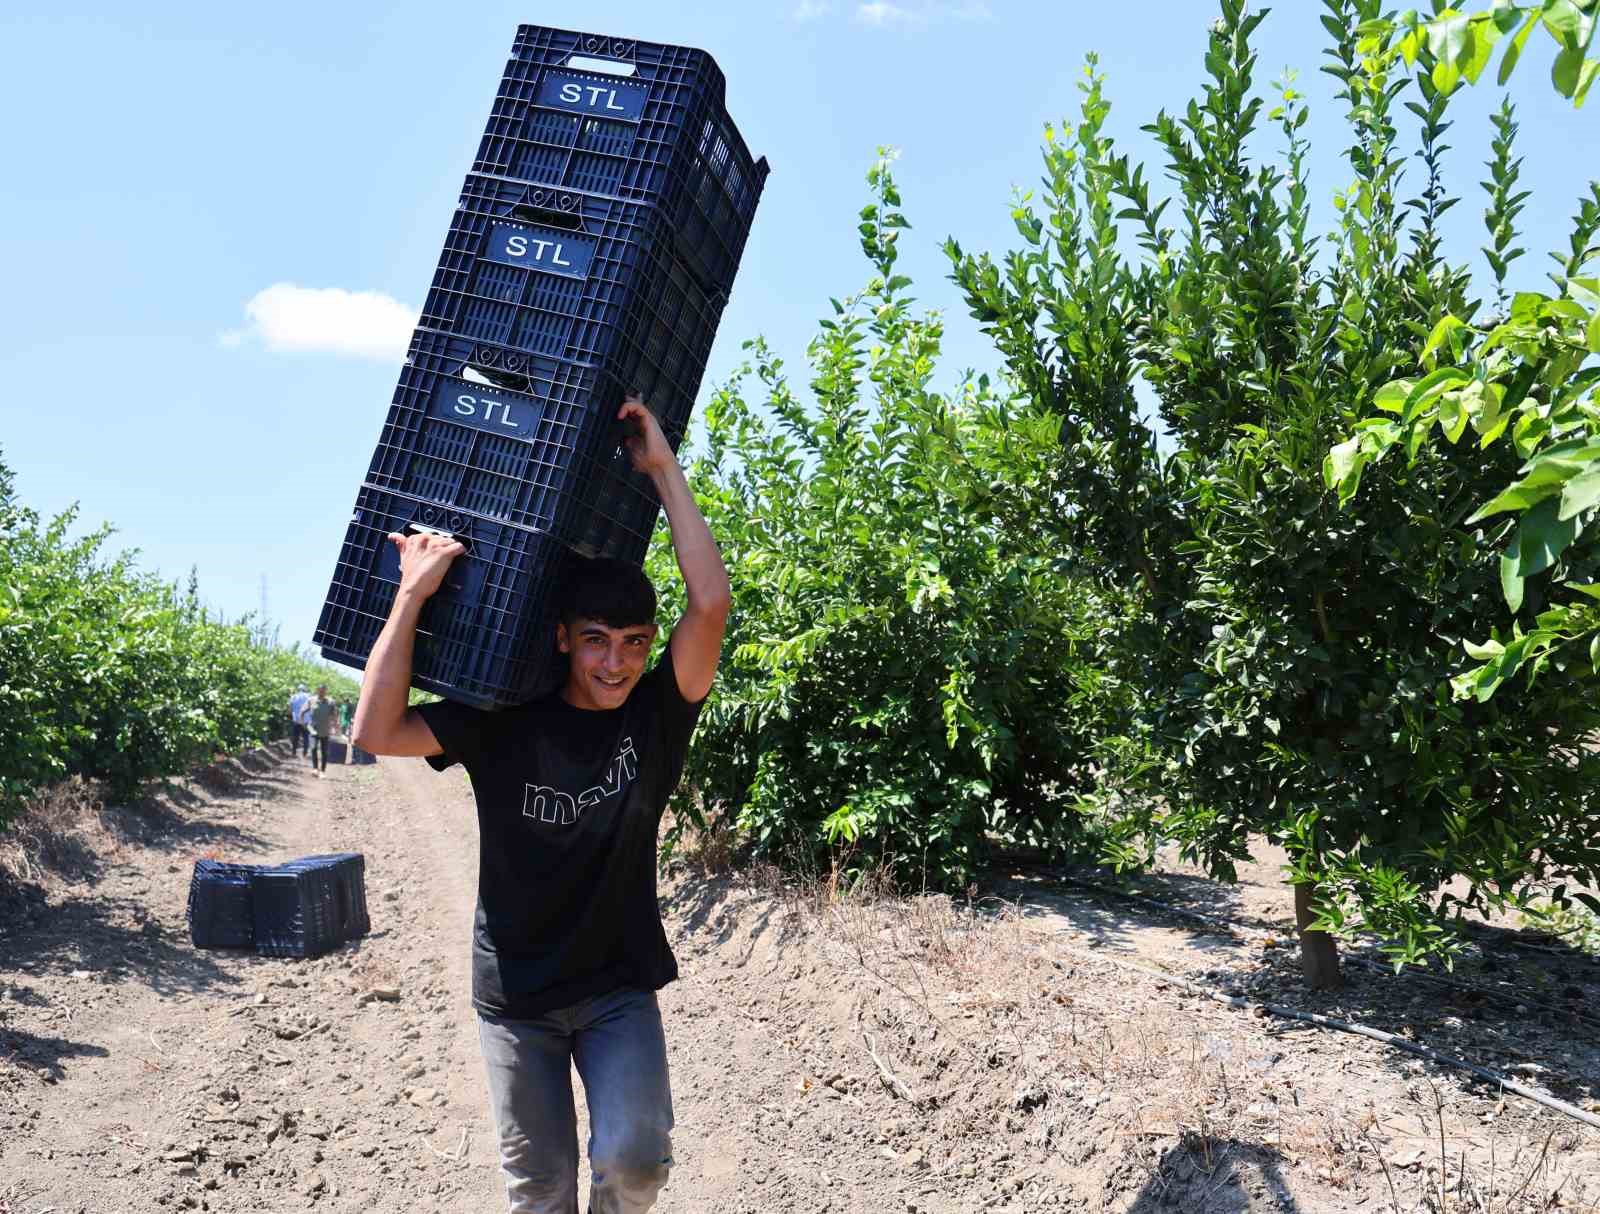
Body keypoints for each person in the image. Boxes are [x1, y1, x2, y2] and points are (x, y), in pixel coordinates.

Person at [351, 396, 729, 1214]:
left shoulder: (657, 716)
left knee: (635, 1160)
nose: (616, 662)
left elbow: (709, 605)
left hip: (617, 983)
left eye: (633, 644)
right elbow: (376, 729)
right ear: (563, 637)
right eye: (596, 639)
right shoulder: (504, 717)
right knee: (542, 1187)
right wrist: (411, 596)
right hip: (517, 993)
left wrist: (663, 470)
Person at [308, 685, 337, 777]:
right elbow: (304, 710)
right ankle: (315, 768)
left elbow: (334, 715)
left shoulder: (330, 702)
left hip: (325, 729)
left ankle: (322, 771)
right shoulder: (311, 700)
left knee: (324, 752)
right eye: (320, 691)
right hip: (313, 729)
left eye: (324, 691)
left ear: (326, 691)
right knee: (313, 748)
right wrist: (302, 721)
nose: (322, 692)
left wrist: (334, 726)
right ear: (317, 691)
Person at [288, 685, 311, 756]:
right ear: (305, 689)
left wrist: (290, 715)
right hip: (306, 720)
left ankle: (294, 752)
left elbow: (290, 707)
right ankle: (305, 752)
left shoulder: (294, 696)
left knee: (295, 737)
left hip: (296, 719)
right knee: (306, 737)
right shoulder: (309, 696)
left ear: (298, 689)